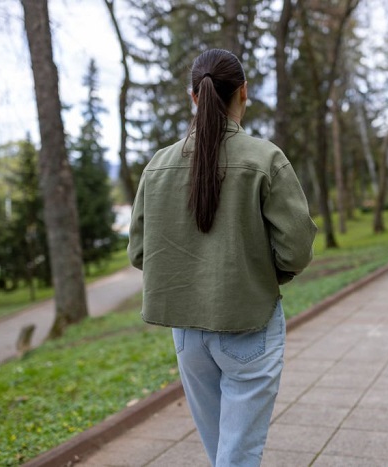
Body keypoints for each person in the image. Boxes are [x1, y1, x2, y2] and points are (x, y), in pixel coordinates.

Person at [127, 48, 317, 466]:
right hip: (248, 321)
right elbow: (297, 247)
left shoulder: (157, 166)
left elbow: (141, 252)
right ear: (243, 93)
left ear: (193, 96)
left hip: (187, 333)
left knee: (223, 453)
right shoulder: (265, 159)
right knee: (237, 456)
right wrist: (259, 273)